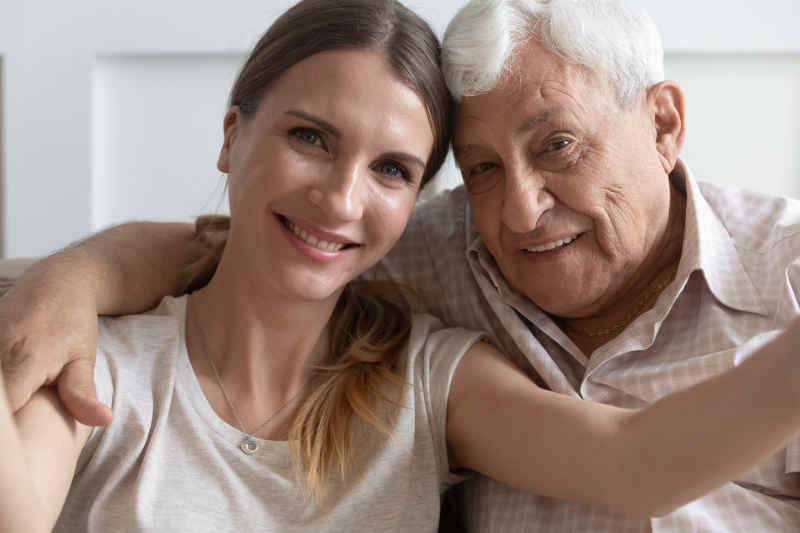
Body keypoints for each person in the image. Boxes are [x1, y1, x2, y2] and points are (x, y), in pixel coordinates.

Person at [2, 0, 800, 531]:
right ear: (231, 135)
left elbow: (635, 461)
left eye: (392, 170)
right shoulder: (100, 366)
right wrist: (72, 280)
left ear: (663, 124)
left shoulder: (426, 374)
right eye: (310, 137)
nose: (342, 200)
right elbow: (226, 244)